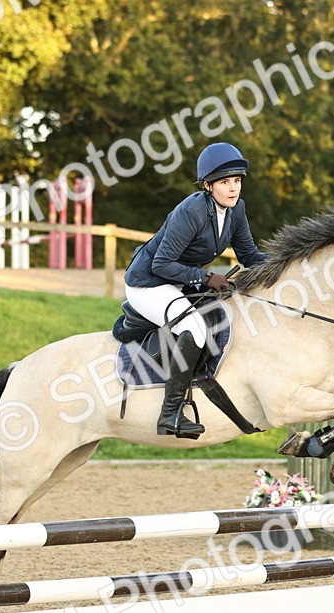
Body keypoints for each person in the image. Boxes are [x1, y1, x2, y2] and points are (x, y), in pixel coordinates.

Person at [124, 142, 267, 438]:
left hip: (177, 281)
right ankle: (170, 414)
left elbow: (250, 256)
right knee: (194, 328)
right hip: (148, 283)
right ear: (207, 185)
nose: (233, 188)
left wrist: (292, 262)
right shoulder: (191, 210)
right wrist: (205, 277)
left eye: (237, 181)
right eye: (225, 182)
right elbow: (161, 264)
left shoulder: (236, 209)